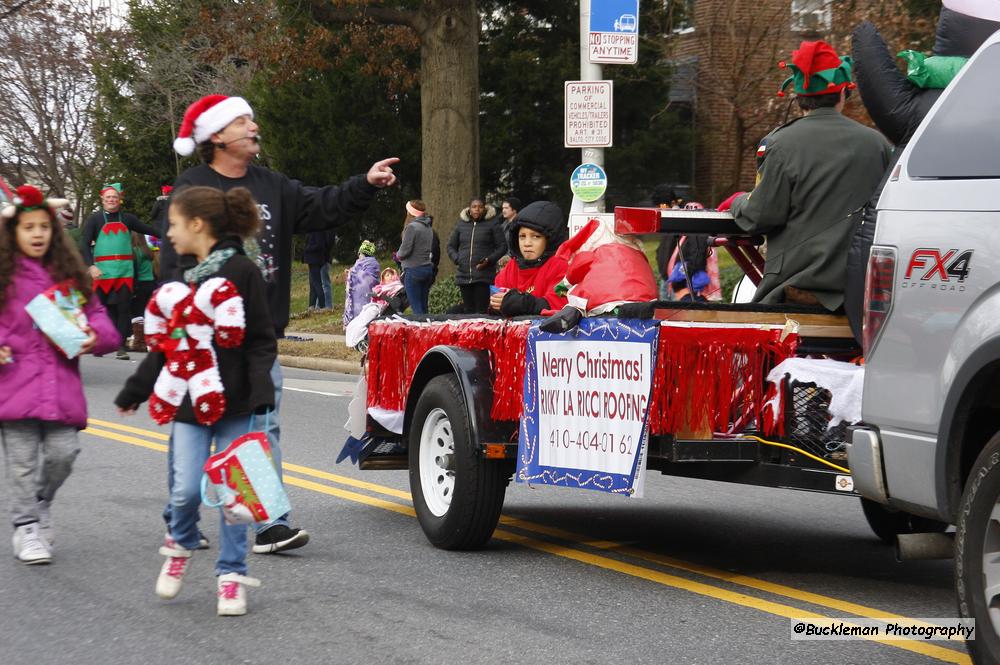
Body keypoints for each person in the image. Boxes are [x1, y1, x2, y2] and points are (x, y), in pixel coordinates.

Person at [159, 94, 398, 554]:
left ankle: (270, 521)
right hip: (201, 341)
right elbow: (173, 260)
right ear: (217, 136)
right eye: (242, 121)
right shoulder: (192, 186)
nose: (254, 127)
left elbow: (324, 205)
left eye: (252, 119)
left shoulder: (273, 186)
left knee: (260, 428)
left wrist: (364, 183)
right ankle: (182, 514)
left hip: (259, 338)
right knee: (198, 425)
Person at [115, 186, 276, 616]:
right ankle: (181, 544)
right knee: (185, 491)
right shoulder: (179, 278)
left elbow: (261, 340)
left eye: (172, 224)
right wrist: (136, 390)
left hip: (237, 404)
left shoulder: (243, 271)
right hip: (188, 404)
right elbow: (167, 345)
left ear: (197, 225)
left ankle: (230, 576)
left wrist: (262, 389)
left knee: (234, 498)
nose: (167, 233)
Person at [720, 40, 893, 311]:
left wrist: (737, 201)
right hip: (861, 289)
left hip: (794, 287)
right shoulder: (878, 143)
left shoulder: (780, 144)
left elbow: (761, 215)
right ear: (843, 93)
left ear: (798, 96)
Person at [0, 185, 120, 564]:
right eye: (28, 227)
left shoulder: (70, 276)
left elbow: (102, 322)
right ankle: (26, 527)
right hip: (14, 387)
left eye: (44, 227)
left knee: (63, 455)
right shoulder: (4, 277)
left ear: (54, 232)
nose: (37, 234)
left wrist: (94, 336)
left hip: (60, 388)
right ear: (13, 233)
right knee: (21, 465)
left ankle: (41, 503)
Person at [80, 183, 160, 360]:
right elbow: (84, 244)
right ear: (102, 199)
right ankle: (100, 341)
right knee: (102, 309)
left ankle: (121, 346)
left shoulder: (128, 219)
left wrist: (170, 232)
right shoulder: (94, 219)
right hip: (102, 272)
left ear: (119, 200)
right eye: (108, 197)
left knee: (124, 309)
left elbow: (148, 230)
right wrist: (91, 266)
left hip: (125, 272)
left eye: (114, 197)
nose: (111, 200)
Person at [490, 201, 569, 317]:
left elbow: (559, 303)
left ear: (549, 239)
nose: (527, 243)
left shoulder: (561, 266)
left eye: (536, 237)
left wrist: (523, 304)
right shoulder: (512, 266)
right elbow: (496, 297)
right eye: (522, 236)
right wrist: (495, 306)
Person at [447, 197, 505, 314]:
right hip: (464, 275)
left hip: (483, 275)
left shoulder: (493, 224)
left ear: (485, 209)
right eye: (474, 207)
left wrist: (489, 260)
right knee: (468, 310)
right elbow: (450, 246)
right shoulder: (461, 224)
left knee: (481, 311)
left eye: (480, 207)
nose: (477, 210)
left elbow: (502, 247)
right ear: (469, 209)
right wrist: (457, 259)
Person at [396, 200, 435, 315]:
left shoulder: (412, 227)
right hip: (427, 268)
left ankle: (420, 331)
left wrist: (397, 255)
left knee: (417, 309)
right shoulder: (428, 227)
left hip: (413, 270)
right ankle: (428, 330)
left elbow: (404, 251)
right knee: (423, 307)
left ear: (410, 213)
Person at [128, 232, 157, 351]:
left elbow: (134, 268)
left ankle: (139, 341)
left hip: (139, 283)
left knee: (136, 312)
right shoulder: (148, 251)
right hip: (151, 283)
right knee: (146, 312)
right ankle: (147, 340)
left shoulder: (135, 252)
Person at [344, 240, 381, 327]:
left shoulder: (361, 262)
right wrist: (351, 272)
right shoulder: (375, 264)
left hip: (360, 295)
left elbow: (359, 275)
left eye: (359, 254)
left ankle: (355, 324)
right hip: (369, 294)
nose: (359, 256)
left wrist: (351, 273)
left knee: (359, 310)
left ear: (361, 253)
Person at [303, 230, 336, 309]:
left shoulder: (320, 230)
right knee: (314, 284)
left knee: (321, 284)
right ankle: (313, 305)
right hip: (318, 258)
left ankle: (324, 306)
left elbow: (323, 244)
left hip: (319, 258)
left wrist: (307, 249)